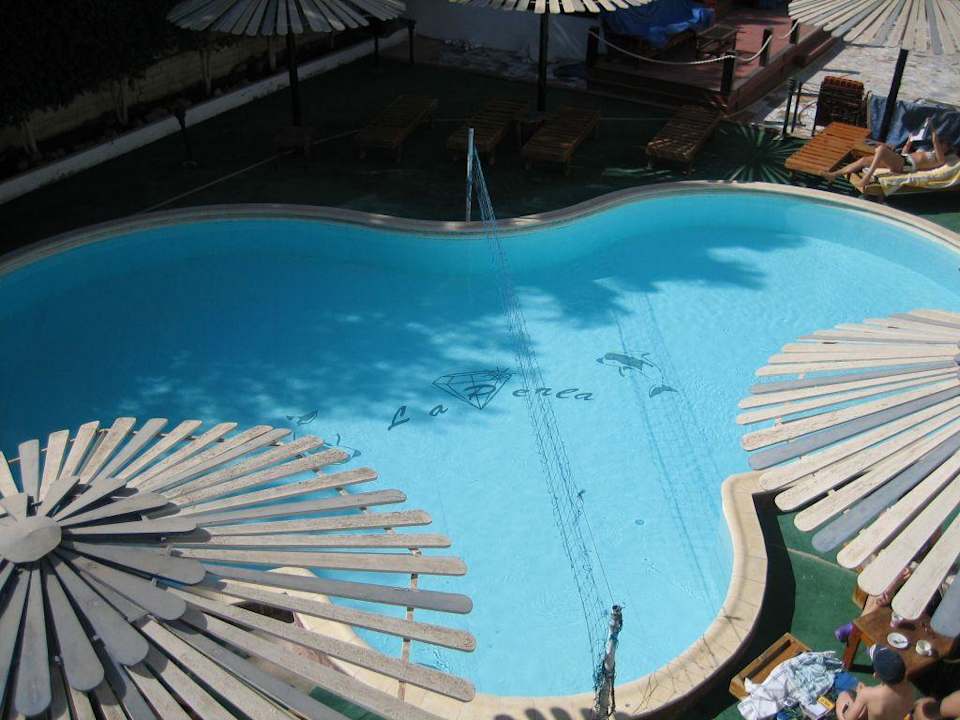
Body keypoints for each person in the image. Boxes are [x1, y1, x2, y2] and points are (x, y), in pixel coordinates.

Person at [825, 123, 953, 189]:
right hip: (903, 160)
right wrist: (909, 142)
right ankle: (834, 175)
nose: (941, 145)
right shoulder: (926, 151)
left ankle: (867, 178)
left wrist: (931, 126)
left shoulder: (940, 159)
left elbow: (935, 140)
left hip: (906, 165)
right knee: (864, 160)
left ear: (946, 149)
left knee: (881, 149)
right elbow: (905, 153)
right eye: (942, 143)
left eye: (944, 145)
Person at [835, 645, 914, 720]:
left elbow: (849, 718)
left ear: (876, 675)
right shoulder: (909, 687)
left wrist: (860, 694)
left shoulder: (866, 694)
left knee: (844, 695)